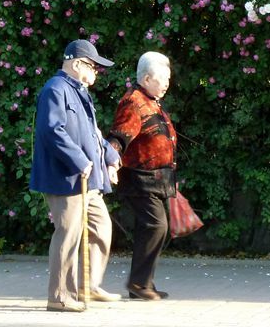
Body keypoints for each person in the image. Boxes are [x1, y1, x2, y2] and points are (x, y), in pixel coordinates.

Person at [30, 39, 123, 312]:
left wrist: (110, 158)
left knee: (101, 227)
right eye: (93, 66)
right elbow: (52, 131)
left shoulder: (79, 91)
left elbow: (93, 134)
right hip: (66, 179)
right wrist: (80, 161)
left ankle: (87, 285)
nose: (96, 72)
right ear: (78, 63)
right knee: (68, 234)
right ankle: (59, 296)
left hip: (88, 180)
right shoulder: (55, 90)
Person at [108, 51, 177, 301]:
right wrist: (111, 162)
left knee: (151, 228)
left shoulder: (151, 100)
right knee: (156, 226)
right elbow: (120, 135)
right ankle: (139, 284)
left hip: (156, 178)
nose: (168, 83)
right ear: (147, 78)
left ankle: (142, 283)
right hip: (140, 178)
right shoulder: (133, 102)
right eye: (164, 78)